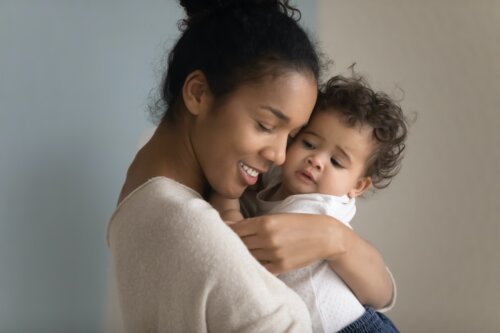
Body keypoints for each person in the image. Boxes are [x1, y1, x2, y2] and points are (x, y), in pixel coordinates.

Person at [107, 0, 394, 331]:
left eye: (292, 135)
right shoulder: (195, 228)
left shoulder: (147, 184)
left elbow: (383, 293)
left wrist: (336, 239)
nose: (280, 156)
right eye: (266, 125)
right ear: (198, 93)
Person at [211, 74, 407, 332]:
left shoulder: (315, 208)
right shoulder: (279, 176)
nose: (316, 160)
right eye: (309, 143)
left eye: (336, 162)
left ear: (357, 186)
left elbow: (240, 252)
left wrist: (225, 198)